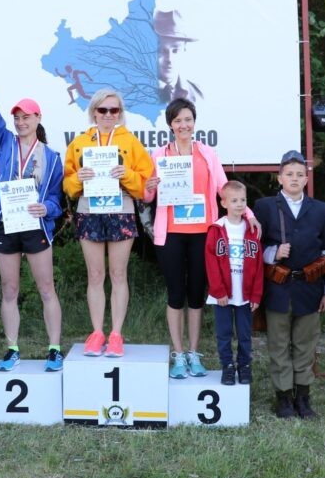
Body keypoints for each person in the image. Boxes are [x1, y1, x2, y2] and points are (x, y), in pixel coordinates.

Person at [142, 98, 258, 378]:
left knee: (196, 295)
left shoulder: (207, 154)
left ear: (194, 123)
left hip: (202, 235)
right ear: (170, 125)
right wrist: (149, 186)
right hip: (170, 234)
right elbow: (147, 197)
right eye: (178, 120)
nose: (184, 125)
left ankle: (193, 354)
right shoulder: (158, 155)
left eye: (188, 120)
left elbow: (224, 189)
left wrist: (249, 214)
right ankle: (178, 354)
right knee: (175, 295)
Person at [0, 40, 65, 372]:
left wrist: (46, 209)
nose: (21, 122)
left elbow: (56, 199)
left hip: (35, 227)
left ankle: (54, 349)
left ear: (38, 118)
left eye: (26, 117)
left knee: (46, 288)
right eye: (17, 117)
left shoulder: (52, 158)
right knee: (9, 289)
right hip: (7, 224)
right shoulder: (3, 141)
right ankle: (12, 348)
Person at [63, 89, 153, 357]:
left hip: (121, 208)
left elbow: (145, 185)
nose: (108, 115)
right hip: (89, 209)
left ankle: (116, 334)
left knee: (118, 274)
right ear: (94, 112)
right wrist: (78, 178)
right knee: (95, 275)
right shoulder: (79, 143)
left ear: (120, 113)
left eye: (114, 110)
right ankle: (96, 333)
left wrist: (128, 175)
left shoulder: (131, 142)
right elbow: (67, 185)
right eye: (103, 110)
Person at [254, 150, 325, 419]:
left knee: (305, 344)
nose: (294, 178)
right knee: (278, 345)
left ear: (306, 179)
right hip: (277, 288)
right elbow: (252, 247)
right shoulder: (265, 207)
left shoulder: (320, 209)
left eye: (299, 174)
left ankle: (303, 397)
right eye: (289, 174)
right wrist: (273, 253)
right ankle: (283, 398)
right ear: (279, 177)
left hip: (310, 289)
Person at [204, 180, 264, 386]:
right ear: (224, 203)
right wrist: (218, 290)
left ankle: (244, 365)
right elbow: (211, 263)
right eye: (234, 200)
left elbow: (259, 265)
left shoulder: (252, 230)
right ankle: (227, 366)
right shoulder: (216, 229)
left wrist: (256, 295)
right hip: (222, 294)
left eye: (243, 200)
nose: (239, 204)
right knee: (224, 333)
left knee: (245, 334)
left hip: (244, 294)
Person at [154, 10, 204, 104]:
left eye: (175, 50)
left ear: (184, 49)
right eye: (161, 51)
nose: (169, 59)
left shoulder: (197, 94)